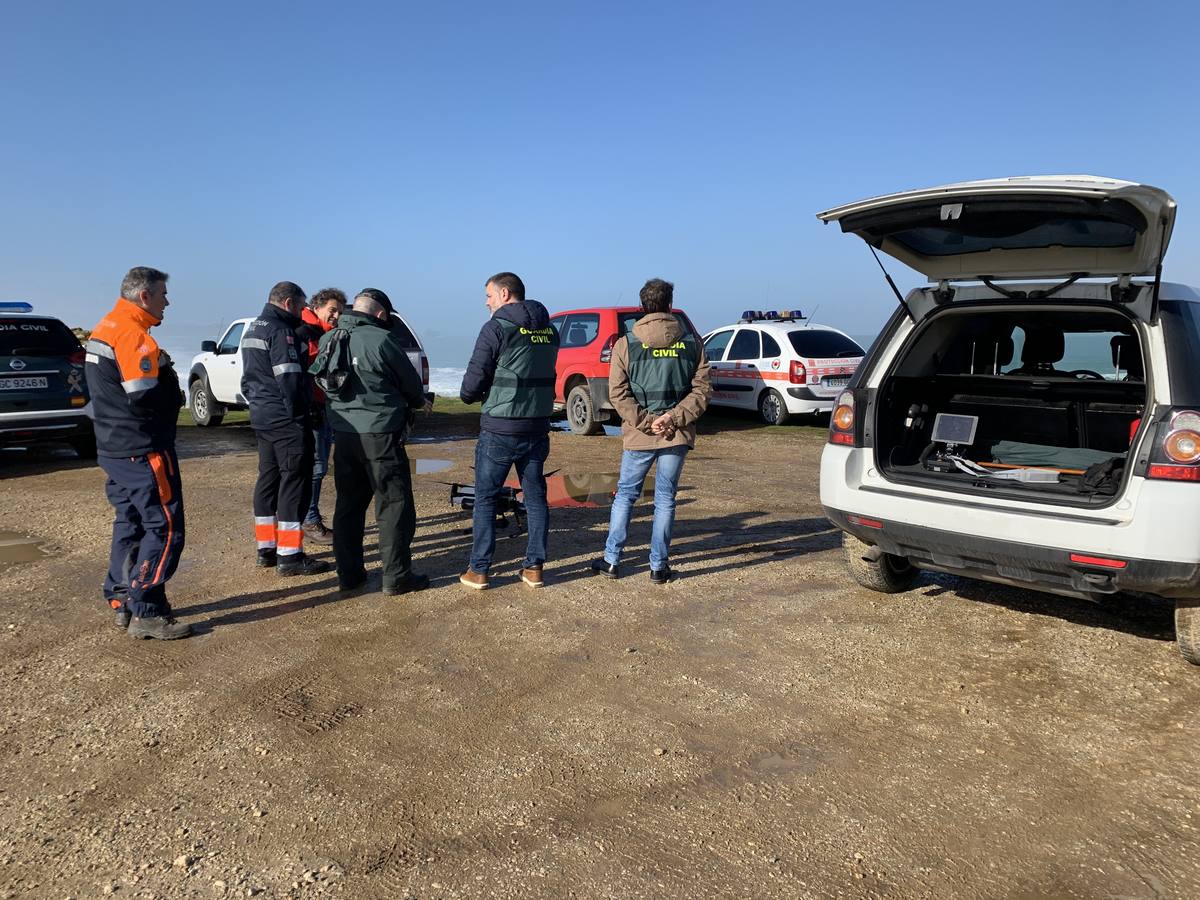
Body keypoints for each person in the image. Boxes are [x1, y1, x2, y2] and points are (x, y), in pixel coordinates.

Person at [85, 266, 191, 639]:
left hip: (113, 447)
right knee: (164, 528)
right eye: (163, 294)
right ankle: (145, 607)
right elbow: (145, 396)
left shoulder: (106, 327)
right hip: (143, 448)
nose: (167, 302)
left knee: (128, 523)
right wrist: (170, 382)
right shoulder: (133, 336)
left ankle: (120, 597)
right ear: (144, 296)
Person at [591, 278, 711, 584]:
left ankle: (612, 560)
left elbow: (617, 394)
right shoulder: (692, 343)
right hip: (676, 434)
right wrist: (672, 418)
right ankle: (658, 566)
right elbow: (702, 391)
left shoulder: (625, 344)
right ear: (669, 305)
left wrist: (647, 422)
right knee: (666, 499)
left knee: (626, 496)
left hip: (639, 436)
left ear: (642, 306)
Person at [320, 289, 430, 595]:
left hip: (343, 435)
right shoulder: (382, 341)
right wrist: (416, 402)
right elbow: (412, 387)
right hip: (381, 435)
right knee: (394, 506)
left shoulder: (330, 338)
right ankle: (397, 577)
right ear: (381, 315)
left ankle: (350, 575)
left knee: (348, 506)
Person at [459, 272, 559, 590]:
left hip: (500, 428)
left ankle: (479, 570)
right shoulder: (550, 330)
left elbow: (471, 385)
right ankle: (534, 568)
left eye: (488, 295)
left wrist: (471, 395)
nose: (486, 302)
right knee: (535, 497)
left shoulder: (495, 328)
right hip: (536, 425)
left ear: (504, 294)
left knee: (486, 498)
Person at [241, 281, 332, 576]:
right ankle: (290, 555)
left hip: (262, 416)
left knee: (268, 479)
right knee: (294, 482)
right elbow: (290, 379)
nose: (303, 312)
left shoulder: (254, 327)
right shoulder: (281, 332)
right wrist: (302, 413)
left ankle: (266, 548)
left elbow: (249, 378)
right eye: (301, 306)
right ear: (289, 302)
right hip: (286, 419)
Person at [295, 287, 346, 544]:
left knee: (317, 465)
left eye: (339, 311)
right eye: (332, 310)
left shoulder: (323, 333)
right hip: (311, 408)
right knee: (315, 466)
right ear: (317, 307)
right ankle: (310, 520)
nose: (336, 315)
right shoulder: (306, 332)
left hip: (320, 406)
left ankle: (307, 518)